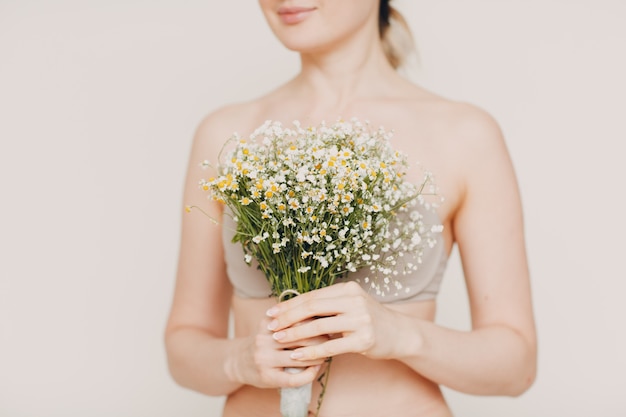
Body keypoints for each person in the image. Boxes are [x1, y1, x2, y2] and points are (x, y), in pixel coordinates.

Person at [164, 1, 537, 416]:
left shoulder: (465, 135)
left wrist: (400, 334)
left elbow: (515, 365)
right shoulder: (223, 133)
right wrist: (239, 359)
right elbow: (183, 347)